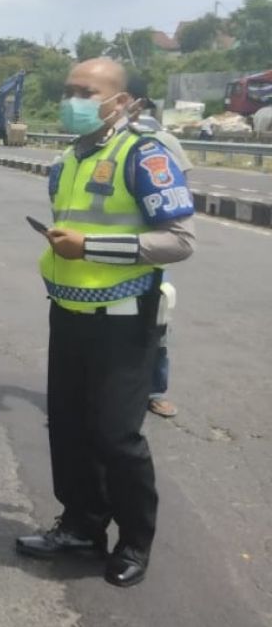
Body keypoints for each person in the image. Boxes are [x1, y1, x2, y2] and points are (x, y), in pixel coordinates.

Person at [15, 58, 196, 588]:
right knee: (68, 428)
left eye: (85, 91)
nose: (72, 99)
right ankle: (80, 526)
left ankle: (135, 541)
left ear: (119, 100)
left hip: (122, 318)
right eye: (68, 90)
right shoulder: (69, 158)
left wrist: (91, 246)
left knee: (117, 437)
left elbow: (180, 241)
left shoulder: (144, 154)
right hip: (68, 314)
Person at [125, 83, 191, 419]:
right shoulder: (94, 145)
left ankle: (153, 389)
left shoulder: (161, 142)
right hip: (102, 259)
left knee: (156, 324)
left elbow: (179, 191)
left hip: (147, 255)